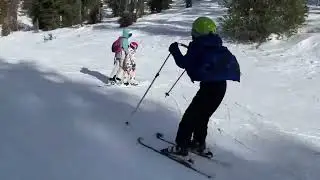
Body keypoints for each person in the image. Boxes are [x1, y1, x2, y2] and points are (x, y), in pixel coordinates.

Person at [161, 16, 241, 156]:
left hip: (208, 89)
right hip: (221, 88)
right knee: (202, 116)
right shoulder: (217, 44)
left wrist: (174, 50)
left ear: (196, 32)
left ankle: (181, 147)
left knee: (190, 117)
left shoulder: (197, 45)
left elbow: (183, 63)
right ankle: (199, 143)